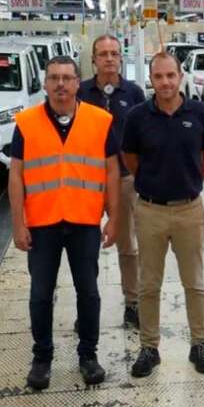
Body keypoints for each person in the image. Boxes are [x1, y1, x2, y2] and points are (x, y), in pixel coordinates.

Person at [8, 55, 120, 390]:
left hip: (84, 222)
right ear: (45, 84)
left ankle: (88, 355)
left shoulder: (100, 121)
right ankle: (42, 358)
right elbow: (16, 175)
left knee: (89, 293)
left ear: (77, 82)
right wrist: (18, 222)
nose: (60, 85)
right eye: (54, 78)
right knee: (40, 294)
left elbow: (112, 169)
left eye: (67, 78)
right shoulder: (26, 123)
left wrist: (114, 217)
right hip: (42, 224)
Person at [122, 51, 204, 378]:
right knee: (148, 284)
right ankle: (149, 347)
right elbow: (131, 158)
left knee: (194, 282)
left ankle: (200, 343)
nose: (165, 82)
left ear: (180, 77)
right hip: (149, 210)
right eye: (158, 76)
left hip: (189, 210)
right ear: (151, 79)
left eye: (170, 76)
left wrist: (189, 182)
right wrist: (155, 185)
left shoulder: (201, 112)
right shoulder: (137, 116)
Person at [78, 34, 145, 328]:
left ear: (121, 58)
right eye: (103, 53)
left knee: (128, 246)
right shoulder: (80, 93)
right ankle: (87, 306)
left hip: (125, 181)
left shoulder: (134, 94)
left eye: (114, 53)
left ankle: (132, 303)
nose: (109, 58)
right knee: (85, 247)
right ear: (93, 59)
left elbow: (145, 137)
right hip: (88, 182)